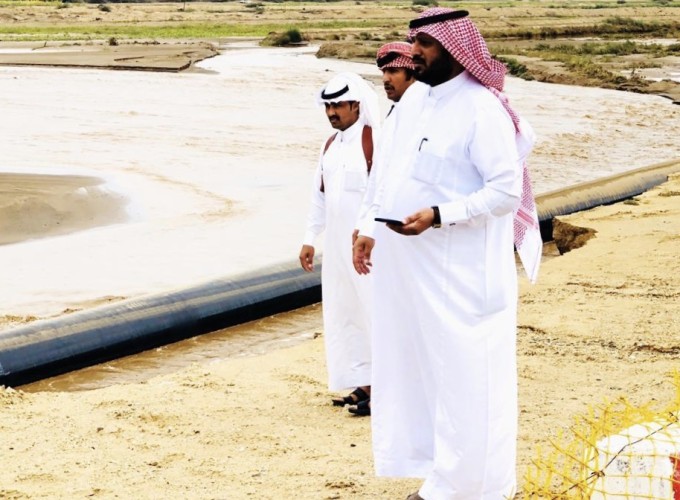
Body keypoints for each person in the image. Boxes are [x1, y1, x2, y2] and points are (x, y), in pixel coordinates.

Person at [352, 8, 542, 499]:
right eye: (413, 41)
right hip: (416, 274)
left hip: (464, 278)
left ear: (456, 49)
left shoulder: (481, 108)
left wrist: (440, 215)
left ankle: (477, 488)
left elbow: (505, 192)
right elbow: (389, 171)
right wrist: (369, 226)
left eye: (425, 44)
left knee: (468, 384)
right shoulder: (417, 101)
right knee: (422, 375)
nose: (414, 52)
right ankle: (441, 480)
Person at [348, 41, 426, 418]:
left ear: (413, 73)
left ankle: (401, 395)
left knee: (411, 318)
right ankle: (389, 392)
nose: (386, 79)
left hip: (417, 234)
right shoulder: (397, 115)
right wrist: (365, 226)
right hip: (390, 233)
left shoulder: (424, 111)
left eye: (393, 71)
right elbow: (380, 179)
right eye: (383, 72)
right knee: (391, 317)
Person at [299, 72, 380, 414]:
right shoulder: (330, 145)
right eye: (328, 106)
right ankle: (364, 383)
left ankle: (386, 390)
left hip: (369, 248)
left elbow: (383, 195)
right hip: (335, 247)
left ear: (356, 105)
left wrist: (368, 232)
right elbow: (319, 196)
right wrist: (309, 238)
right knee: (345, 312)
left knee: (375, 312)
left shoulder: (373, 140)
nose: (332, 112)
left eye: (339, 106)